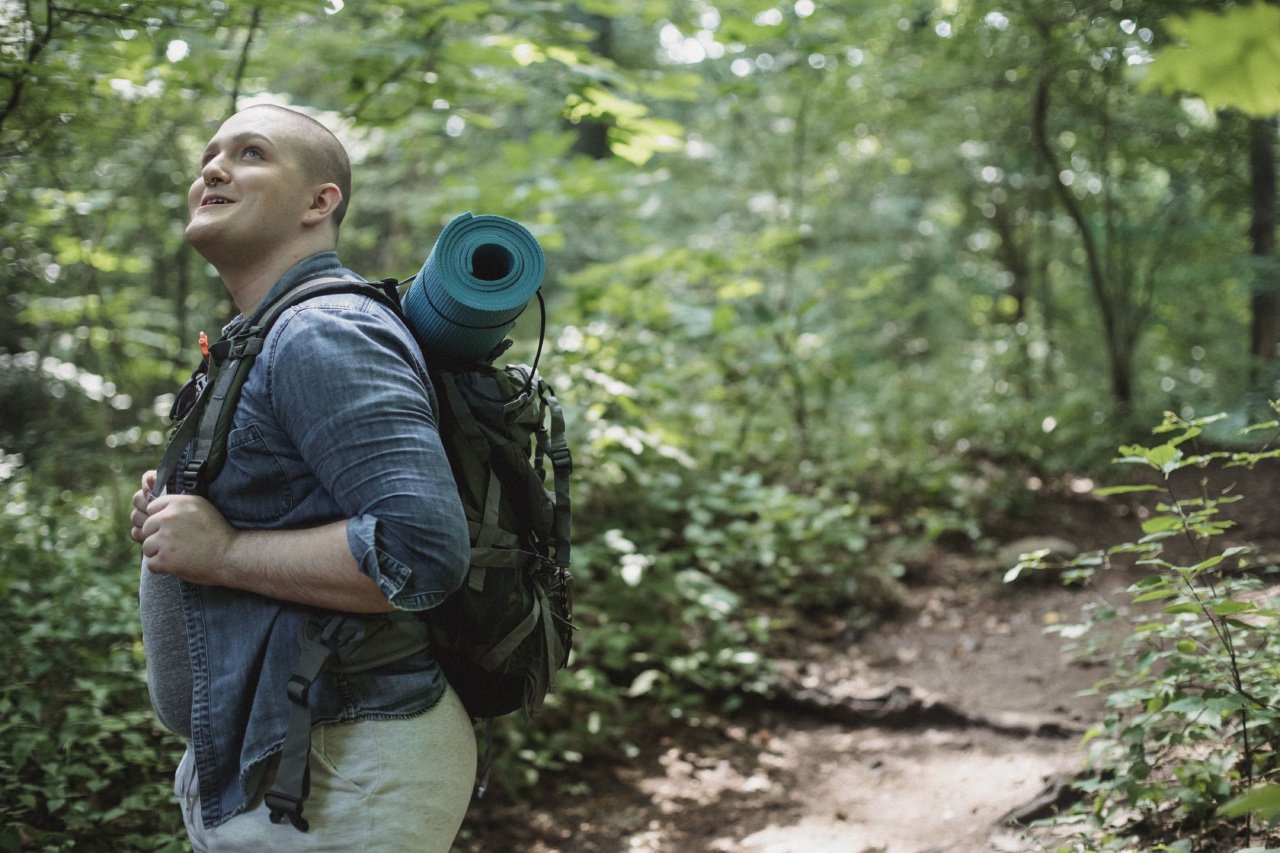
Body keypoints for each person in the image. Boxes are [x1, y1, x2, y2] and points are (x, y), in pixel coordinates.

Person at [129, 104, 477, 852]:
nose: (213, 168)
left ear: (320, 202)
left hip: (340, 764)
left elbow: (419, 551)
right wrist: (180, 525)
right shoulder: (264, 332)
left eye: (251, 153)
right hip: (290, 755)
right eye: (209, 155)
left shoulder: (322, 329)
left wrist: (223, 552)